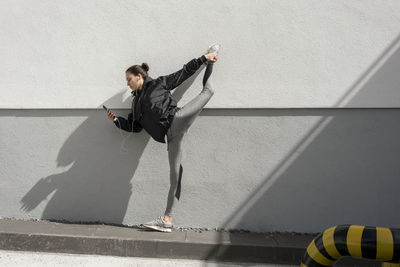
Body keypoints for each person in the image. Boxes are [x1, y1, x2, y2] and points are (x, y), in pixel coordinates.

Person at [105, 44, 220, 232]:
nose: (127, 84)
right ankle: (167, 219)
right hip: (171, 137)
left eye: (129, 80)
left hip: (177, 119)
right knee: (175, 177)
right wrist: (117, 120)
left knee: (208, 91)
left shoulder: (158, 84)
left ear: (139, 76)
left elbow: (182, 73)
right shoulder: (135, 104)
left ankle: (212, 56)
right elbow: (136, 127)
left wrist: (203, 59)